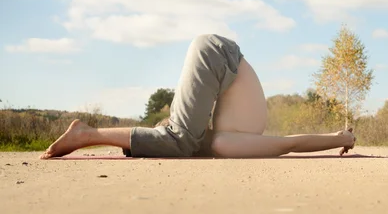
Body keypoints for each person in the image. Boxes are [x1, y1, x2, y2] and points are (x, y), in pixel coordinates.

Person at [40, 34, 356, 159]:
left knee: (179, 141)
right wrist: (341, 138)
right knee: (179, 141)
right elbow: (291, 143)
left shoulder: (217, 142)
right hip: (219, 57)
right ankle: (86, 134)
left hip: (219, 58)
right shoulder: (221, 143)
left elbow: (291, 143)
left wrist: (340, 137)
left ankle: (89, 134)